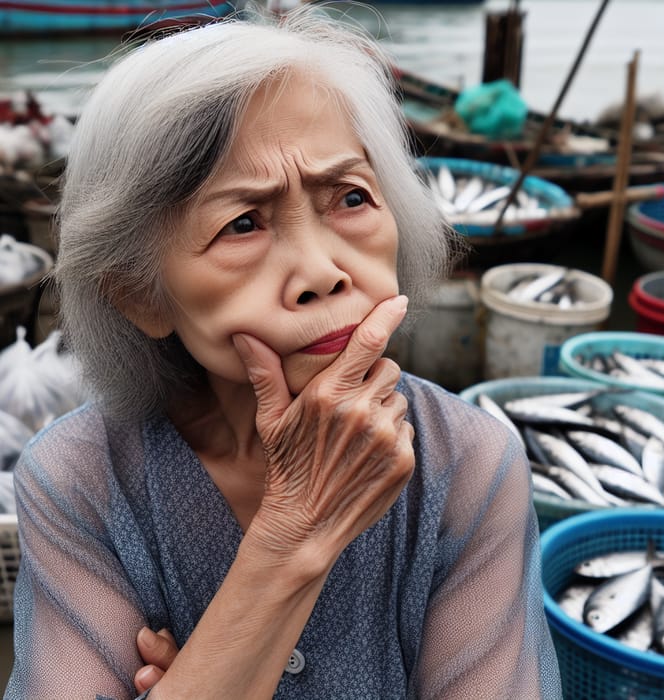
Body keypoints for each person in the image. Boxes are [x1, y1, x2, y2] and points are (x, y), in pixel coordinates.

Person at [5, 6, 562, 699]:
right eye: (243, 223)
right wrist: (293, 538)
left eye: (352, 197)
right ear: (138, 294)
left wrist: (211, 675)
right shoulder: (80, 480)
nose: (322, 271)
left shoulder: (470, 468)